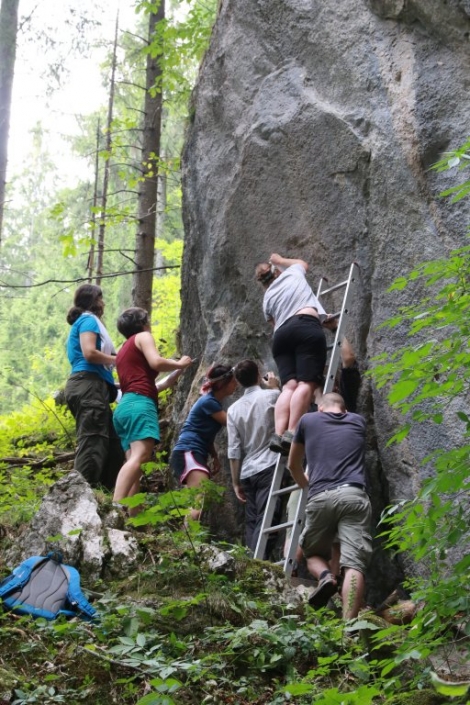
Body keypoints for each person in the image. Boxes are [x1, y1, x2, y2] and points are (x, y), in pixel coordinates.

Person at [287, 393, 372, 619]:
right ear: (344, 409)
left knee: (311, 552)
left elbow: (292, 465)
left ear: (320, 408)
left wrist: (307, 486)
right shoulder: (358, 421)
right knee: (354, 564)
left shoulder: (309, 420)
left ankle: (325, 576)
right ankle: (349, 629)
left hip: (321, 494)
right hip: (354, 495)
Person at [112, 307, 192, 512]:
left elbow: (154, 384)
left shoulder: (123, 351)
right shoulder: (143, 336)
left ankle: (133, 519)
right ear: (143, 323)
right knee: (141, 456)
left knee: (134, 466)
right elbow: (156, 362)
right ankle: (115, 508)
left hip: (126, 406)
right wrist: (179, 362)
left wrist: (178, 370)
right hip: (140, 404)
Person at [255, 253, 327, 455]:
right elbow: (303, 263)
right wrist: (280, 260)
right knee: (306, 383)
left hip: (281, 338)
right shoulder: (292, 273)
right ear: (277, 271)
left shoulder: (267, 298)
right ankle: (292, 430)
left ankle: (278, 434)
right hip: (304, 325)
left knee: (289, 387)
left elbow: (274, 324)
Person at [65, 284, 124, 490]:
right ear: (92, 301)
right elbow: (90, 353)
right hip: (87, 386)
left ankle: (104, 495)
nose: (103, 303)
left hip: (94, 386)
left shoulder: (89, 322)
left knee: (114, 446)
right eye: (100, 298)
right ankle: (79, 497)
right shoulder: (88, 320)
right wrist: (120, 361)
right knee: (93, 442)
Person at [227, 360, 281, 556]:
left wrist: (235, 482)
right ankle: (259, 567)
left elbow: (233, 449)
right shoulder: (272, 396)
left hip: (248, 470)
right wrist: (276, 387)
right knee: (267, 518)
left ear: (238, 382)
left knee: (252, 522)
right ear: (258, 374)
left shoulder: (233, 409)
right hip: (269, 464)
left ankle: (251, 566)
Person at [170, 364, 238, 521]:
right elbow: (232, 423)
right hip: (189, 450)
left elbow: (203, 433)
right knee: (198, 503)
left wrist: (213, 455)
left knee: (195, 503)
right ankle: (189, 543)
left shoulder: (211, 401)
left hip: (191, 451)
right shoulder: (209, 402)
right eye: (233, 381)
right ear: (223, 384)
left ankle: (186, 541)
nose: (236, 384)